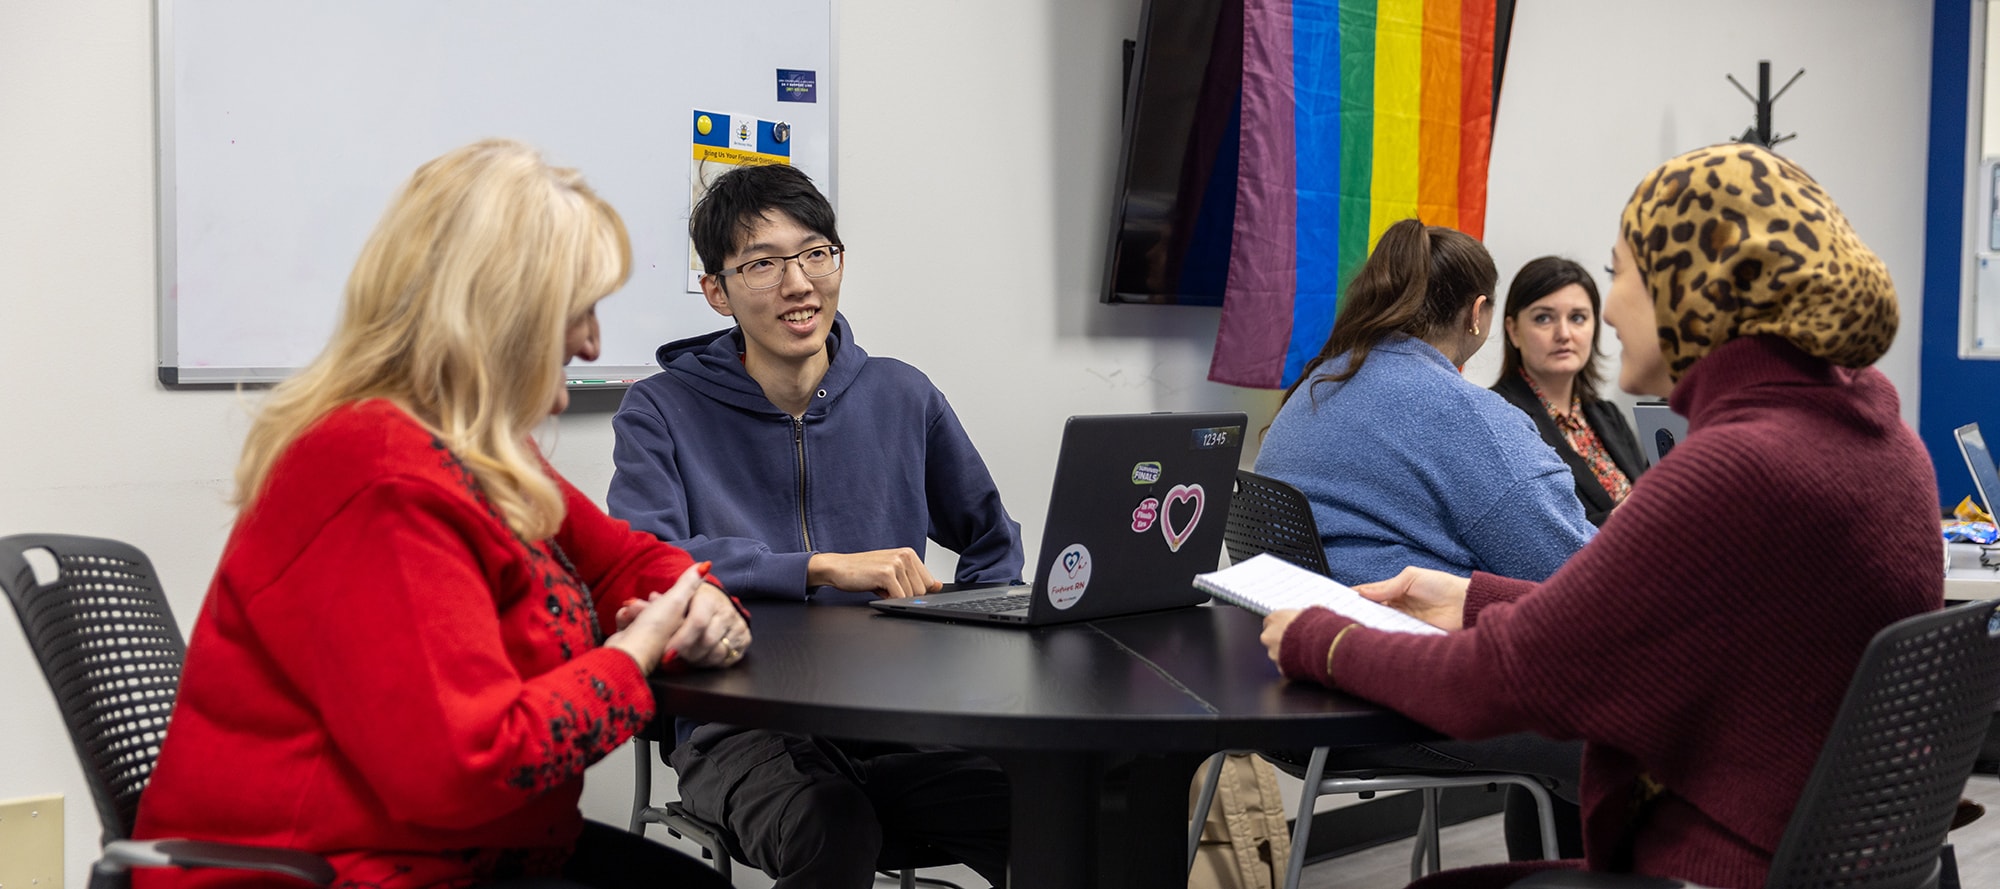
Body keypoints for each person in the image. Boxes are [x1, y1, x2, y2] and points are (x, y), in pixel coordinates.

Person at [1262, 143, 1938, 889]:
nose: (1606, 311)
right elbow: (1636, 611)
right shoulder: (1885, 439)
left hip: (1714, 863)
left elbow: (1504, 678)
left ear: (1696, 287)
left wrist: (1322, 638)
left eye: (1620, 276)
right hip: (1820, 853)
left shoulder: (1731, 467)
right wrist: (1475, 597)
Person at [132, 140, 746, 889]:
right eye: (578, 312)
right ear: (500, 317)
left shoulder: (479, 452)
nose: (592, 342)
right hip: (341, 870)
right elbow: (467, 766)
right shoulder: (378, 473)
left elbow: (624, 558)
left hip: (460, 851)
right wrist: (635, 653)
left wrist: (696, 600)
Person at [607, 162, 1017, 888]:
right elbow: (646, 558)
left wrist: (961, 637)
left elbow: (993, 542)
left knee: (1054, 805)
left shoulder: (902, 393)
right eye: (762, 263)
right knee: (833, 822)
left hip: (893, 717)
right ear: (717, 291)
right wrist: (819, 566)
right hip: (738, 727)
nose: (798, 283)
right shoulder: (660, 410)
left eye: (815, 253)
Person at [1251, 218, 1595, 857]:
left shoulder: (1313, 390)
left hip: (1287, 690)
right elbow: (1571, 580)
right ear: (1481, 314)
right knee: (1630, 721)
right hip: (1383, 695)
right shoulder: (1465, 415)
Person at [1491, 256, 1647, 526]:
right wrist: (1618, 521)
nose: (1564, 333)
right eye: (1543, 318)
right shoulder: (1497, 415)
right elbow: (1527, 529)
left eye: (1577, 318)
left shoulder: (1609, 415)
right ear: (1513, 330)